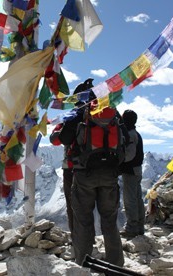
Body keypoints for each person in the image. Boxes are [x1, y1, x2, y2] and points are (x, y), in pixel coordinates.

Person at [60, 79, 125, 267]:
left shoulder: (80, 112)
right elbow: (125, 139)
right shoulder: (113, 113)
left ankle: (84, 264)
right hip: (110, 174)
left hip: (84, 175)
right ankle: (116, 265)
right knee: (110, 221)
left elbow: (64, 138)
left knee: (83, 221)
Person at [49, 78, 94, 234]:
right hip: (100, 168)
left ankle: (78, 241)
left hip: (73, 167)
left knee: (73, 205)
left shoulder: (72, 116)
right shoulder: (104, 115)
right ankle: (95, 240)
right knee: (94, 207)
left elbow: (57, 139)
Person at [119, 110, 145, 239]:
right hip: (136, 170)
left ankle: (132, 227)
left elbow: (129, 155)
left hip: (130, 171)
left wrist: (119, 162)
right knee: (137, 199)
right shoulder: (136, 134)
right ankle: (140, 226)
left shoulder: (130, 135)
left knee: (130, 200)